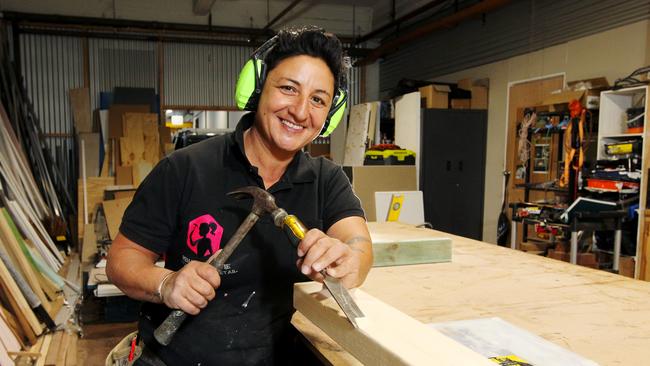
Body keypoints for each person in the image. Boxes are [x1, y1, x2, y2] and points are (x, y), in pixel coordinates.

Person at [106, 25, 373, 365]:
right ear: (257, 89)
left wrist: (348, 259)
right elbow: (122, 260)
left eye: (318, 99)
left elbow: (358, 245)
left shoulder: (326, 179)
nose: (301, 111)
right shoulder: (185, 168)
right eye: (289, 89)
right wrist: (167, 283)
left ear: (330, 115)